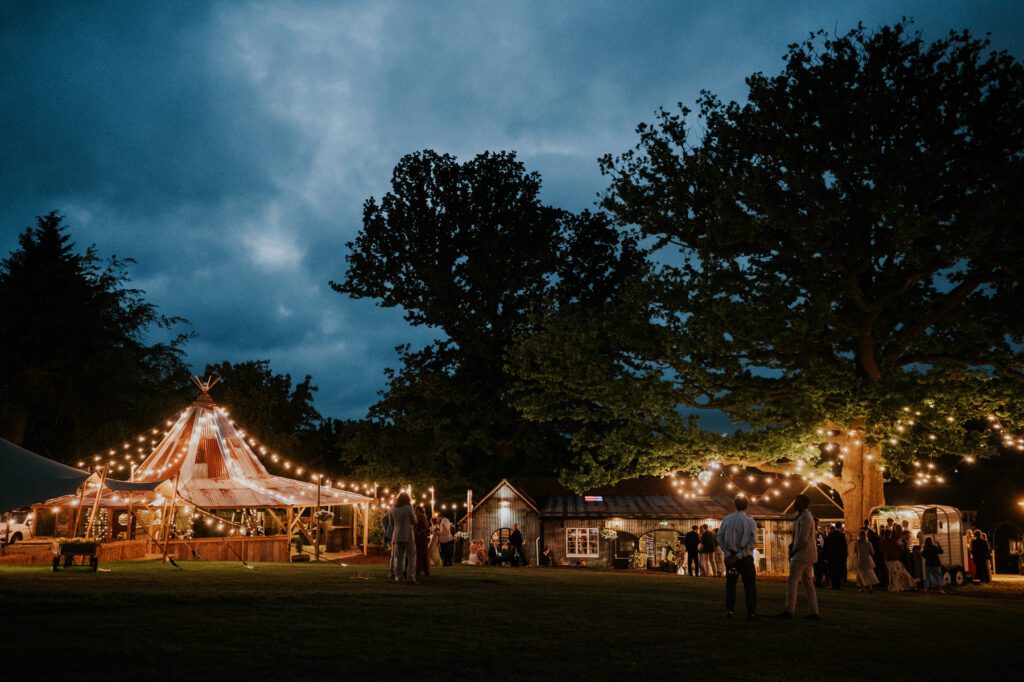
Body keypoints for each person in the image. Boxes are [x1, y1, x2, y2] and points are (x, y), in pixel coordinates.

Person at [774, 494, 819, 620]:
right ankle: (814, 612)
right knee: (808, 583)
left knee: (792, 581)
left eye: (797, 502)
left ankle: (789, 610)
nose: (794, 504)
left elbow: (803, 539)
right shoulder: (806, 516)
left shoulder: (805, 517)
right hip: (807, 554)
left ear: (804, 503)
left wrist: (793, 550)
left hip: (802, 554)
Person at [718, 496, 758, 619]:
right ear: (747, 505)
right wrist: (739, 555)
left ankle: (729, 610)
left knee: (730, 584)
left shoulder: (726, 519)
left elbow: (719, 537)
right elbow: (752, 542)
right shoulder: (750, 521)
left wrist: (728, 553)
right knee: (749, 585)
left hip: (730, 557)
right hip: (745, 558)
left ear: (734, 505)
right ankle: (751, 612)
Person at [387, 493, 417, 583]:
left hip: (396, 535)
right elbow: (415, 521)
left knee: (399, 558)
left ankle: (399, 577)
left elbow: (391, 524)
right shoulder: (408, 508)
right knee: (411, 556)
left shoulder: (392, 509)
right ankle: (410, 577)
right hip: (408, 535)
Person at [824, 523, 849, 590]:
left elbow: (826, 546)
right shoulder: (841, 535)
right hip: (839, 556)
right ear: (840, 527)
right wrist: (845, 555)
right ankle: (837, 585)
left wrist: (826, 556)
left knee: (832, 570)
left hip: (831, 556)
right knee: (838, 570)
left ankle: (833, 584)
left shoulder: (830, 535)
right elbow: (844, 546)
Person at [414, 506, 430, 578]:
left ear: (418, 510)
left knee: (422, 552)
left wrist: (420, 532)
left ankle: (423, 569)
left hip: (421, 536)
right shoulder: (417, 516)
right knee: (417, 552)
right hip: (417, 535)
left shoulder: (422, 516)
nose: (415, 511)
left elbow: (426, 527)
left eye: (416, 510)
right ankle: (418, 569)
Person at [381, 509, 395, 580]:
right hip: (392, 534)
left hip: (390, 534)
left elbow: (383, 519)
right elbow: (383, 519)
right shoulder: (391, 511)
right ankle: (392, 570)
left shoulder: (391, 511)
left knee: (393, 553)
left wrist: (386, 528)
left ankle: (392, 569)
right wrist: (386, 528)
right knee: (393, 553)